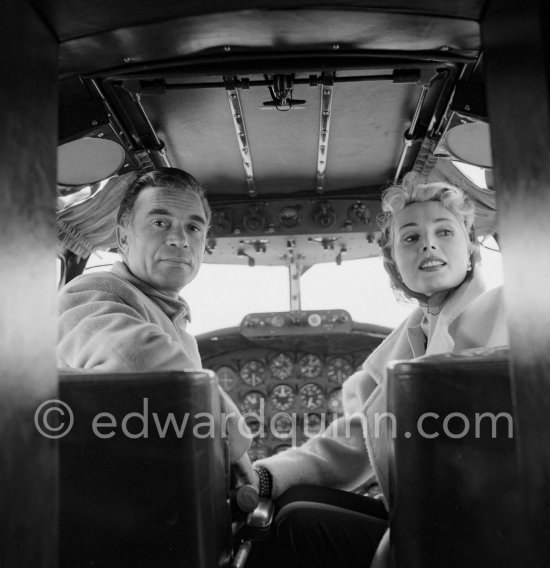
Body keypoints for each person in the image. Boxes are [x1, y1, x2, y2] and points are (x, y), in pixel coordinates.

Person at [250, 174, 509, 567]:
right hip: (432, 521)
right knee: (289, 503)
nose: (428, 243)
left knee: (292, 524)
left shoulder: (504, 312)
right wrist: (267, 477)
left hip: (478, 533)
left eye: (445, 231)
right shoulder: (414, 334)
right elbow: (358, 435)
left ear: (472, 248)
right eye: (410, 237)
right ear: (393, 262)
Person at [57, 167, 250, 463]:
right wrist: (237, 439)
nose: (179, 239)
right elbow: (139, 362)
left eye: (194, 228)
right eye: (160, 222)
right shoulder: (89, 293)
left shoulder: (173, 320)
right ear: (123, 239)